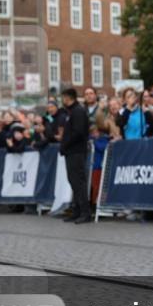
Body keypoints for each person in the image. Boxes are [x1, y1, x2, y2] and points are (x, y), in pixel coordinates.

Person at [59, 88, 92, 224]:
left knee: (79, 182)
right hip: (72, 151)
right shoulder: (72, 111)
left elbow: (78, 132)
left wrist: (66, 143)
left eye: (63, 97)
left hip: (76, 151)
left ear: (68, 98)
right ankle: (77, 210)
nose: (62, 100)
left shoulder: (78, 111)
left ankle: (85, 212)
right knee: (73, 181)